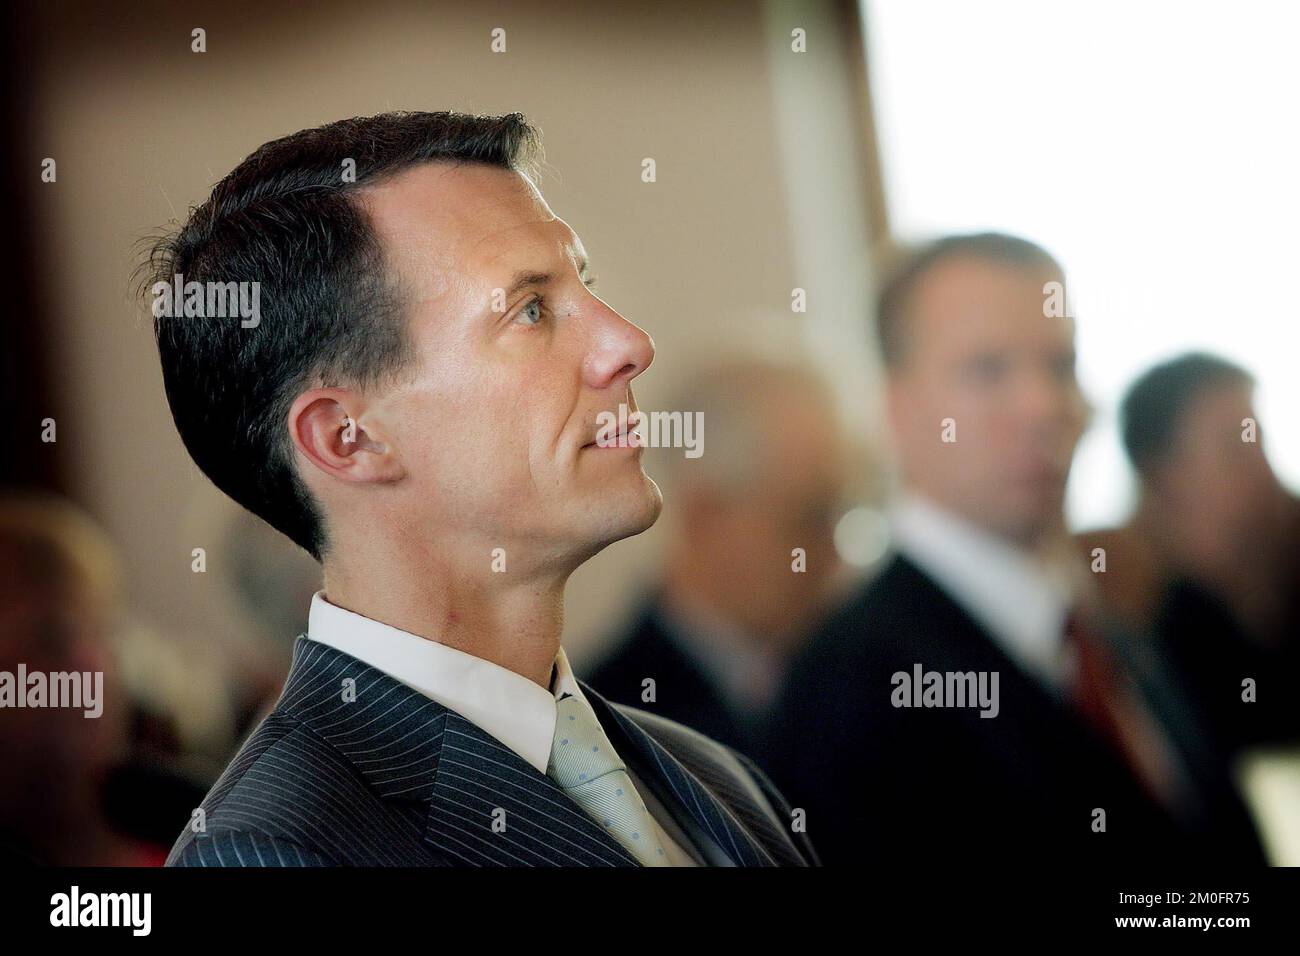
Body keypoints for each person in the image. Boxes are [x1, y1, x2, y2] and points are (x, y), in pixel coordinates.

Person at [145, 111, 816, 867]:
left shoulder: (719, 783)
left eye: (584, 285)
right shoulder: (271, 848)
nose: (629, 343)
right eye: (530, 309)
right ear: (349, 438)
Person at [767, 233, 1264, 865]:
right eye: (988, 370)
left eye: (1060, 367)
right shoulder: (849, 691)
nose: (1042, 406)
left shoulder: (1104, 632)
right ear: (895, 406)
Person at [585, 360, 849, 762]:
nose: (833, 554)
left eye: (837, 516)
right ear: (704, 519)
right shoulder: (614, 721)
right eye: (809, 518)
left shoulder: (844, 677)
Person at [1095, 352, 1300, 753]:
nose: (1264, 471)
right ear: (1162, 477)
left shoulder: (1282, 563)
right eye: (1234, 450)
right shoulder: (1130, 634)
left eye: (1260, 444)